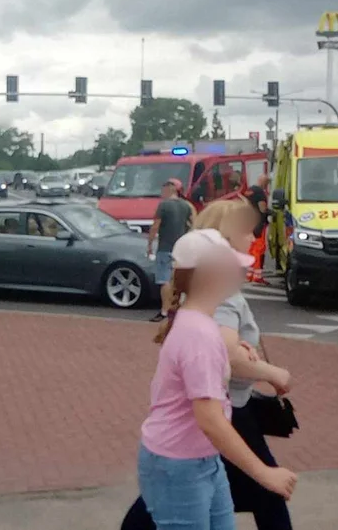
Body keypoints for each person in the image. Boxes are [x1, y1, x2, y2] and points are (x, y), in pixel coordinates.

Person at [122, 200, 297, 530]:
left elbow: (215, 377)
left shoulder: (200, 324)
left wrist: (235, 356)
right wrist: (265, 474)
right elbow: (210, 419)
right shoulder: (199, 335)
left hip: (200, 459)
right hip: (180, 463)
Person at [147, 178, 194, 323]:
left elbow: (156, 225)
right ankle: (178, 308)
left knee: (164, 280)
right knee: (177, 280)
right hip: (180, 249)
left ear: (168, 190)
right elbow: (191, 223)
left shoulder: (164, 205)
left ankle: (164, 310)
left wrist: (149, 244)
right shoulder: (186, 206)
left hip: (165, 247)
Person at [244, 174, 271, 284]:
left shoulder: (249, 191)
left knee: (251, 249)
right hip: (259, 224)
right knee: (259, 249)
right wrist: (272, 212)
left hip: (249, 222)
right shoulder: (260, 193)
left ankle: (249, 274)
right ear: (265, 183)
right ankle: (257, 276)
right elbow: (263, 208)